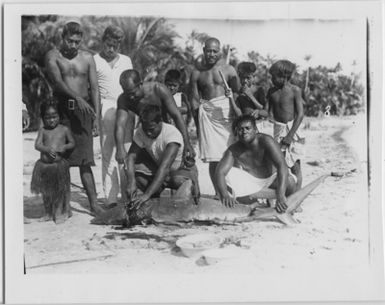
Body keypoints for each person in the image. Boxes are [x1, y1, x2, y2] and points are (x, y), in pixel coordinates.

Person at [45, 21, 104, 215]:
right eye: (70, 41)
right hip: (60, 112)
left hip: (84, 112)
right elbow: (57, 82)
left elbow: (95, 88)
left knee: (85, 161)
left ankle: (94, 204)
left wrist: (96, 116)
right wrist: (77, 97)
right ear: (63, 38)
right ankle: (62, 204)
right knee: (59, 160)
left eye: (77, 42)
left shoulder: (88, 58)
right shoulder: (53, 56)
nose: (73, 45)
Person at [214, 115, 301, 213]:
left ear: (255, 129)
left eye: (248, 128)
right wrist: (224, 194)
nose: (244, 131)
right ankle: (255, 204)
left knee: (290, 182)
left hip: (272, 180)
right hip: (253, 183)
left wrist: (280, 195)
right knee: (227, 176)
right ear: (237, 132)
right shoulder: (233, 149)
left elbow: (282, 166)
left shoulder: (266, 141)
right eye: (240, 129)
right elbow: (220, 172)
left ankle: (286, 204)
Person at [189, 37, 241, 189]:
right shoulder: (197, 73)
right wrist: (198, 126)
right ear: (204, 51)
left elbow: (238, 93)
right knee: (214, 158)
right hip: (208, 118)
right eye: (208, 51)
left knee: (232, 154)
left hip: (228, 116)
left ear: (220, 52)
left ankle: (235, 191)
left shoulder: (229, 70)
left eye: (214, 51)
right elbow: (194, 100)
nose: (211, 54)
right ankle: (219, 193)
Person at [125, 105, 199, 210]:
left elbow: (164, 169)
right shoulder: (141, 132)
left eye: (151, 129)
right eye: (146, 130)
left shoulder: (172, 135)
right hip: (159, 170)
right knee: (137, 178)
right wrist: (131, 182)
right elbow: (131, 157)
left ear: (160, 122)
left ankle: (187, 203)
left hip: (179, 171)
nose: (148, 133)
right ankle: (151, 202)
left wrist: (146, 195)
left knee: (180, 183)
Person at [115, 69, 195, 166]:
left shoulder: (158, 89)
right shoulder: (123, 99)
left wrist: (187, 143)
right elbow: (120, 125)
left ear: (140, 84)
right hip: (146, 136)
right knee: (137, 171)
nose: (131, 97)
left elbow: (177, 116)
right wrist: (120, 148)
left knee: (174, 173)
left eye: (133, 93)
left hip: (166, 135)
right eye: (127, 94)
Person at [94, 25, 133, 206]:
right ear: (103, 41)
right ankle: (110, 197)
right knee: (107, 152)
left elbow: (132, 86)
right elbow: (92, 90)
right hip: (105, 107)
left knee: (125, 150)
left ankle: (127, 195)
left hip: (125, 106)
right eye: (108, 45)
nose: (111, 49)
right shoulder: (94, 60)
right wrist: (95, 115)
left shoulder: (126, 60)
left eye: (115, 46)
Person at [30, 102, 75, 223]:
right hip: (44, 166)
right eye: (47, 117)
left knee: (59, 191)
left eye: (54, 116)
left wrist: (64, 147)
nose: (51, 120)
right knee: (46, 192)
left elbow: (72, 143)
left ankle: (60, 212)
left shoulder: (64, 129)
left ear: (59, 116)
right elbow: (37, 145)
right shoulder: (43, 130)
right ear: (43, 118)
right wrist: (46, 149)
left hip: (58, 166)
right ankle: (48, 212)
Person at [267, 60, 305, 167]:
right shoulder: (271, 92)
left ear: (284, 77)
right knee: (280, 163)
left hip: (293, 130)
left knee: (294, 164)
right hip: (278, 129)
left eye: (274, 77)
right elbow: (266, 111)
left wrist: (290, 135)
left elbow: (300, 115)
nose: (271, 80)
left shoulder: (295, 90)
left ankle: (298, 184)